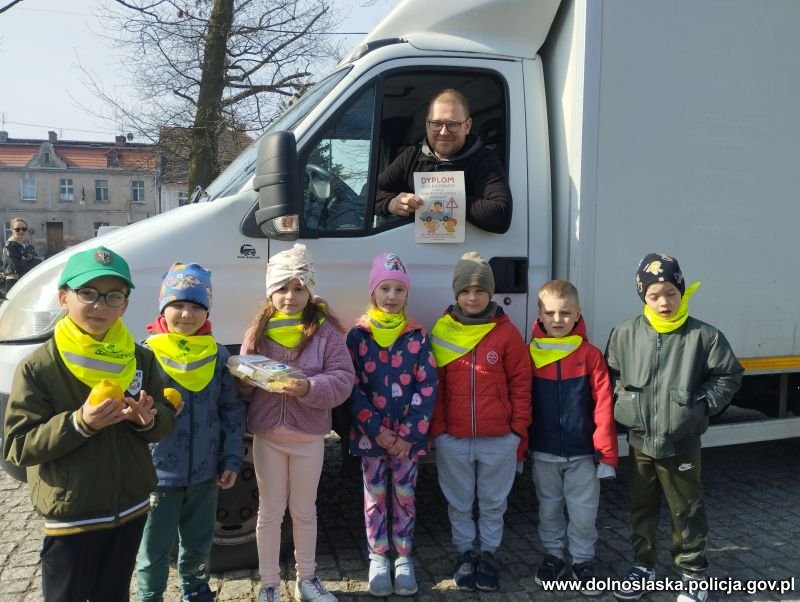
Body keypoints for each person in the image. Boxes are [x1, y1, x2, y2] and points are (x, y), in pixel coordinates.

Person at [2, 245, 176, 602]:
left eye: (113, 296)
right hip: (72, 516)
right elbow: (17, 446)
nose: (100, 305)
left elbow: (163, 420)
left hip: (130, 508)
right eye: (88, 293)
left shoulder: (140, 358)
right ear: (63, 298)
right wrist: (80, 423)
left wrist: (148, 420)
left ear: (124, 305)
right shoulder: (39, 367)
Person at [605, 253, 743, 602]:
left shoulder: (704, 336)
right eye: (654, 295)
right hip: (640, 441)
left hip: (682, 442)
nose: (664, 302)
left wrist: (700, 407)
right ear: (643, 296)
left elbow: (728, 375)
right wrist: (625, 402)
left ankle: (693, 573)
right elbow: (613, 374)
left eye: (671, 292)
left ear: (682, 291)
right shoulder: (624, 334)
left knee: (687, 508)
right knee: (641, 506)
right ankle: (643, 565)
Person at [237, 243, 355, 602]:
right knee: (269, 512)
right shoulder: (258, 330)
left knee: (304, 512)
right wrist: (245, 379)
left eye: (298, 288)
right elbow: (244, 379)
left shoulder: (326, 332)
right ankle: (269, 583)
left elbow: (343, 379)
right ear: (270, 292)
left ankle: (308, 579)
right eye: (282, 288)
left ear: (309, 291)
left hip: (308, 438)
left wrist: (308, 388)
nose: (290, 296)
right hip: (268, 436)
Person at [135, 262, 246, 602]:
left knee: (199, 542)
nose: (187, 314)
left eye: (197, 306)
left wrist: (231, 458)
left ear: (207, 311)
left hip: (205, 473)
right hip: (157, 474)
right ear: (163, 308)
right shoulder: (145, 354)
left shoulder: (217, 355)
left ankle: (196, 590)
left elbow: (231, 410)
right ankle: (149, 595)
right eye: (178, 305)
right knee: (154, 546)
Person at [429, 251, 531, 592]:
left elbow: (521, 383)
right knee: (458, 502)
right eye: (465, 291)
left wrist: (517, 430)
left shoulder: (507, 334)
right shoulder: (443, 331)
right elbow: (434, 386)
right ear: (456, 293)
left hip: (499, 438)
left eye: (480, 291)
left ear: (490, 293)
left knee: (493, 502)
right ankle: (465, 553)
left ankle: (488, 554)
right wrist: (439, 432)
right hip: (454, 439)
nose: (472, 298)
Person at [346, 252, 437, 597]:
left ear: (407, 294)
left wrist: (408, 435)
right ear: (373, 291)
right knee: (375, 497)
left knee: (404, 496)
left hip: (407, 442)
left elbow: (427, 388)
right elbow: (352, 387)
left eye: (399, 290)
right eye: (385, 288)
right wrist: (376, 430)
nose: (391, 296)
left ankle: (403, 556)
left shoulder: (418, 336)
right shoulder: (358, 336)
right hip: (371, 438)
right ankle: (378, 556)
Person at [528, 280, 618, 595]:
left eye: (565, 313)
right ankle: (553, 556)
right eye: (550, 313)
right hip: (544, 451)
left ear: (578, 314)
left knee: (583, 512)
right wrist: (519, 450)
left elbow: (604, 405)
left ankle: (582, 561)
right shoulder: (530, 354)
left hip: (583, 453)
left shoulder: (590, 355)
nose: (558, 319)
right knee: (549, 508)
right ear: (539, 314)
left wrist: (606, 454)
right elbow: (521, 404)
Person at [375, 89, 512, 234]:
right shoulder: (411, 156)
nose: (444, 132)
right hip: (408, 246)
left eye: (453, 124)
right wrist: (391, 203)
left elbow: (501, 214)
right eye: (436, 123)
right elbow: (369, 196)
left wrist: (441, 198)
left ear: (467, 126)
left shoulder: (484, 160)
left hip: (467, 248)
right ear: (427, 124)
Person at [2, 216, 40, 294]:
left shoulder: (24, 245)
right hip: (14, 283)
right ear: (12, 230)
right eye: (17, 229)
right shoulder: (10, 246)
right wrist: (30, 261)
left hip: (24, 281)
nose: (21, 231)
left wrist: (31, 259)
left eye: (24, 229)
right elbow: (18, 267)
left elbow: (35, 261)